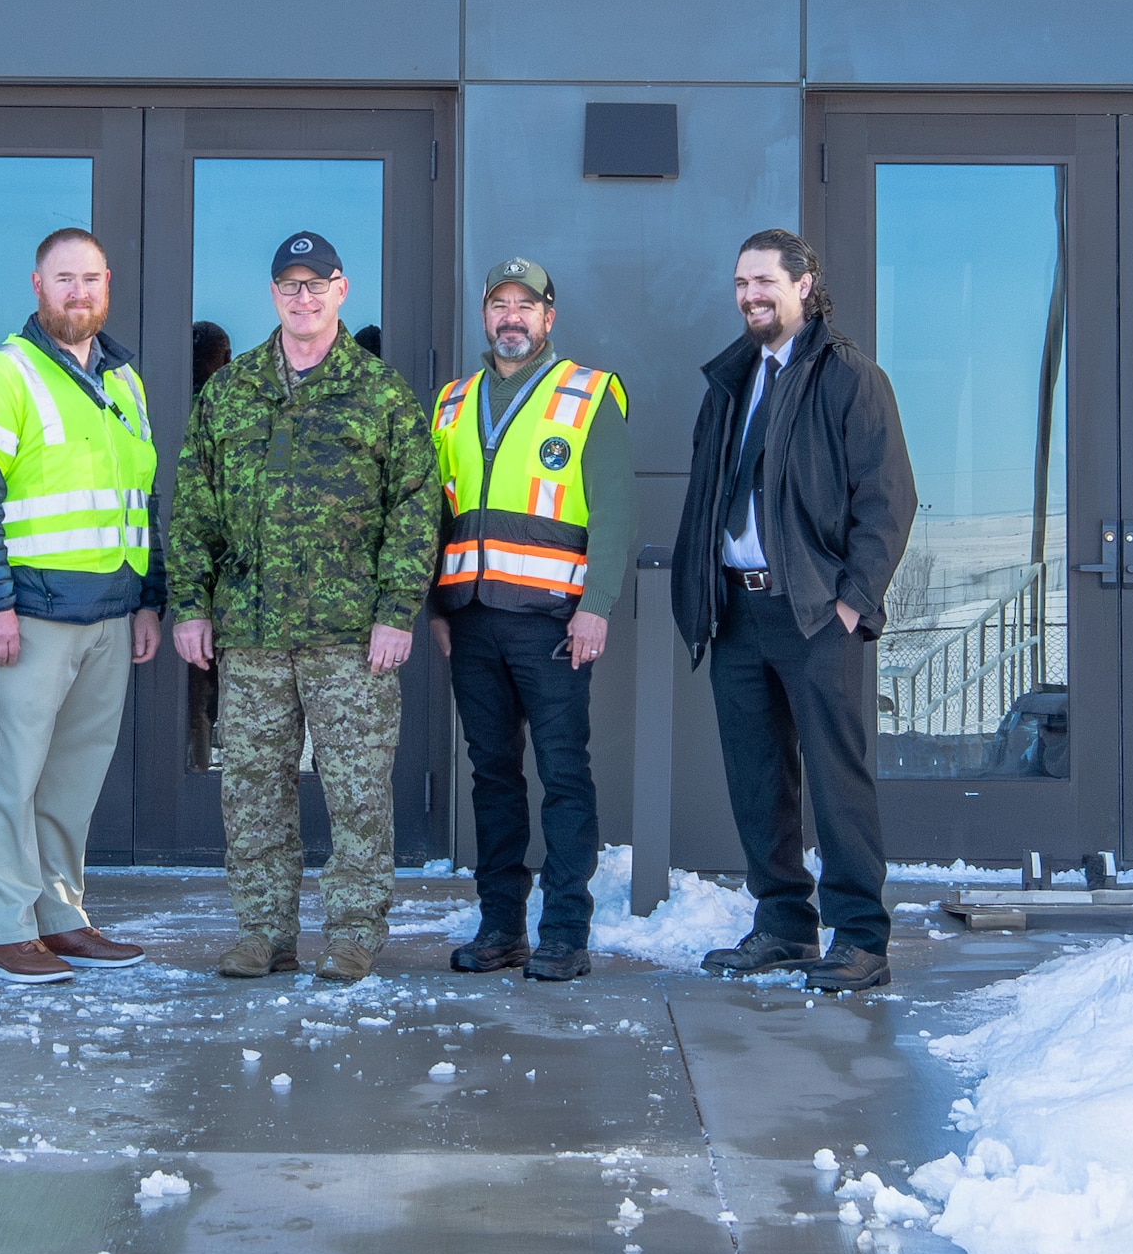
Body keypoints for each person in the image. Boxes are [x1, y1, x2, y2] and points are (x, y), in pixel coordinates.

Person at [171, 231, 439, 985]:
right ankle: (263, 934)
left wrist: (397, 610)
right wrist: (190, 606)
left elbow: (416, 508)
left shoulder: (380, 394)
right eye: (290, 284)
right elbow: (193, 509)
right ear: (273, 294)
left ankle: (353, 934)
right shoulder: (231, 390)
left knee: (357, 792)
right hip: (251, 633)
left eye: (316, 284)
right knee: (252, 792)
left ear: (341, 291)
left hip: (349, 635)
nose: (303, 296)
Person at [672, 229, 915, 993]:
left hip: (815, 613)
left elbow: (887, 502)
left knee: (837, 781)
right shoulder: (732, 380)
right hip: (738, 613)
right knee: (758, 778)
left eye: (764, 281)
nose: (751, 295)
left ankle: (860, 938)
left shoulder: (849, 378)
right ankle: (781, 925)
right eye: (741, 283)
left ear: (804, 283)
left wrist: (852, 602)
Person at [0, 228, 164, 985]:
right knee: (10, 776)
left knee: (73, 779)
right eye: (64, 278)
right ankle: (7, 931)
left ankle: (61, 918)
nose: (79, 292)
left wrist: (148, 600)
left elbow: (142, 501)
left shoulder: (125, 379)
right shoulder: (2, 373)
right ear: (38, 285)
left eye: (91, 279)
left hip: (109, 613)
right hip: (30, 615)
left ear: (108, 286)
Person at [429, 258, 634, 982]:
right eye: (499, 304)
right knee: (491, 777)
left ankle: (565, 934)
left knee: (563, 775)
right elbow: (434, 515)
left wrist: (596, 607)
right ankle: (500, 929)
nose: (511, 316)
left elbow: (613, 511)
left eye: (526, 305)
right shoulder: (452, 403)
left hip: (554, 622)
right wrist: (436, 607)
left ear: (549, 318)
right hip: (473, 620)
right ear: (484, 316)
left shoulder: (587, 394)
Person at [186, 321, 232, 772]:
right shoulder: (225, 409)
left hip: (195, 577)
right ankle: (199, 778)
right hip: (218, 580)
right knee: (207, 696)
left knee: (194, 700)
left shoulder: (159, 399)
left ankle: (196, 771)